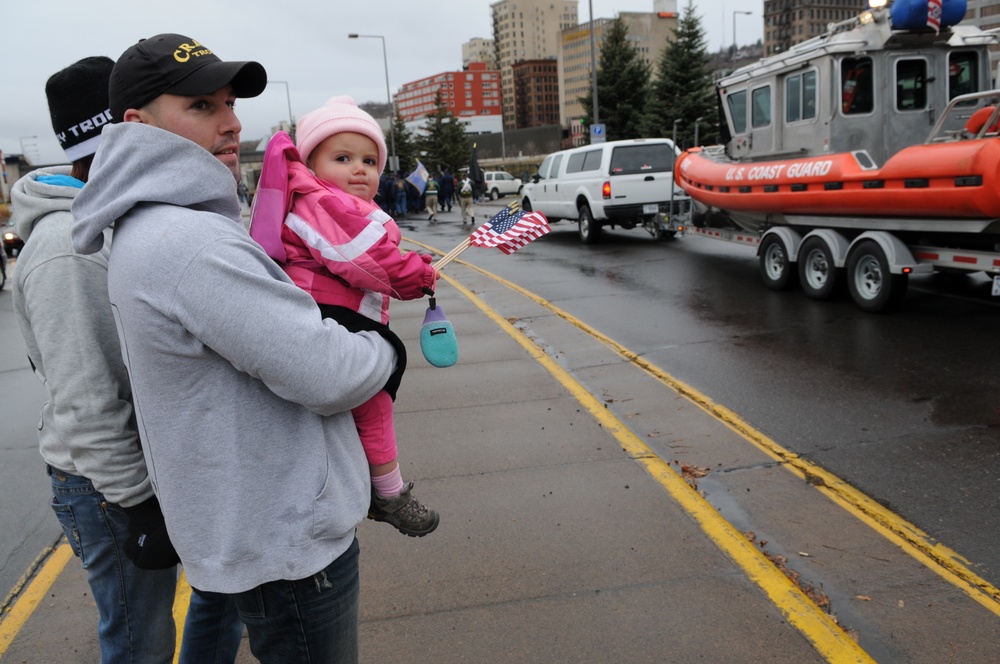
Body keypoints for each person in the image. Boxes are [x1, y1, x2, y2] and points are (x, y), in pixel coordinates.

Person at [71, 34, 399, 663]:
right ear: (138, 124)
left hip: (257, 522)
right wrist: (383, 345)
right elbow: (327, 372)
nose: (231, 122)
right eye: (201, 107)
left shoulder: (160, 223)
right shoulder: (188, 241)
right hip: (289, 543)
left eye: (227, 103)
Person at [10, 55, 180, 664]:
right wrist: (136, 503)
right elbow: (86, 401)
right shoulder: (67, 246)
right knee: (141, 644)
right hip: (108, 487)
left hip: (137, 471)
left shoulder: (112, 219)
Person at [249, 96, 439, 537]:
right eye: (343, 158)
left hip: (334, 310)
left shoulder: (330, 201)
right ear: (311, 163)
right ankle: (388, 493)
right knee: (373, 404)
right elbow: (362, 259)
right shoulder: (321, 200)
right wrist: (416, 275)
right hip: (328, 312)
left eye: (370, 160)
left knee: (362, 403)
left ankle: (364, 479)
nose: (360, 169)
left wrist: (412, 262)